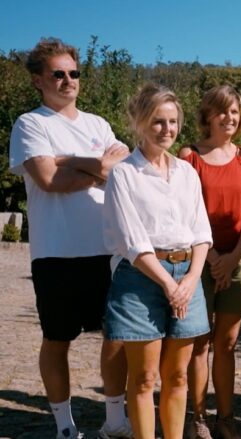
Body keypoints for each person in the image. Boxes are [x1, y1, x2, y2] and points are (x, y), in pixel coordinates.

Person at [8, 37, 132, 439]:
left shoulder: (99, 124)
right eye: (57, 74)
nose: (68, 80)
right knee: (57, 339)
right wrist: (96, 167)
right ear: (38, 81)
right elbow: (49, 179)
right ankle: (64, 426)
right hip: (57, 252)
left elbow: (120, 169)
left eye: (73, 73)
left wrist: (69, 159)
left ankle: (114, 420)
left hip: (107, 249)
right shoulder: (31, 124)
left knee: (116, 336)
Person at [103, 83, 212, 439]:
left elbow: (201, 232)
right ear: (140, 122)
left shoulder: (187, 173)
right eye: (158, 121)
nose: (167, 129)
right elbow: (132, 241)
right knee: (144, 377)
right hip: (140, 278)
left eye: (173, 121)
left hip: (187, 277)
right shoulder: (124, 174)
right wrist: (168, 284)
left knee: (178, 376)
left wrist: (190, 280)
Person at [180, 85, 241, 439]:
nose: (230, 117)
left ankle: (226, 420)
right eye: (223, 111)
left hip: (237, 260)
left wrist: (232, 260)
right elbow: (183, 211)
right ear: (208, 115)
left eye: (235, 111)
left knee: (226, 345)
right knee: (199, 343)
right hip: (198, 261)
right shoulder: (190, 156)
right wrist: (213, 258)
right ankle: (197, 419)